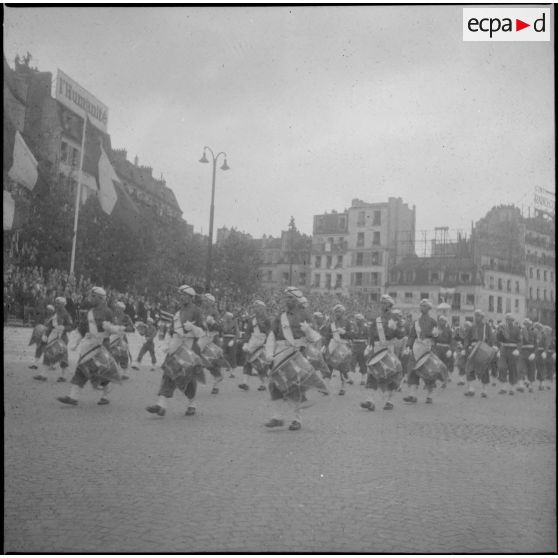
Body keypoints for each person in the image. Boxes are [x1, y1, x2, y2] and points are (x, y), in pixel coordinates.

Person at [264, 287, 325, 431]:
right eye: (286, 297)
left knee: (295, 387)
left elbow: (315, 337)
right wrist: (268, 352)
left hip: (296, 354)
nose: (287, 300)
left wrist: (308, 331)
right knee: (275, 385)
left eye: (290, 298)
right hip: (280, 353)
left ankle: (297, 419)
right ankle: (277, 417)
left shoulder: (305, 315)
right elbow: (272, 335)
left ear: (297, 300)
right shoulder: (280, 316)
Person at [56, 287, 122, 406]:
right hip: (89, 345)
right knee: (81, 370)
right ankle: (73, 397)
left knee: (101, 374)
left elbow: (115, 329)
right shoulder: (89, 312)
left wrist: (110, 328)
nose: (91, 298)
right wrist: (76, 342)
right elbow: (83, 328)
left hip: (101, 346)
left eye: (94, 296)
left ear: (100, 298)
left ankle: (105, 396)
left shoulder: (108, 312)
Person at [146, 285, 205, 417]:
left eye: (183, 295)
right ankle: (161, 405)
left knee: (188, 378)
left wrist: (193, 328)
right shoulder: (178, 312)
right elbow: (172, 330)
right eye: (180, 295)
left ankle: (192, 404)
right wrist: (167, 344)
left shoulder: (197, 311)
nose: (181, 297)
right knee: (168, 373)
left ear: (190, 297)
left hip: (189, 346)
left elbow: (202, 332)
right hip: (176, 345)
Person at [360, 294, 405, 411]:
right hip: (376, 348)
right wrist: (369, 346)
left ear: (390, 305)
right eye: (382, 303)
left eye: (385, 303)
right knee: (372, 374)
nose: (383, 305)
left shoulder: (395, 317)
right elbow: (371, 333)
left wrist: (396, 328)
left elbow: (401, 334)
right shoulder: (377, 319)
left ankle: (390, 401)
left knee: (392, 374)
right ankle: (370, 400)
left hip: (388, 348)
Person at [403, 299, 440, 404]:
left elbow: (436, 336)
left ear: (429, 308)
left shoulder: (433, 322)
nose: (422, 308)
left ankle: (429, 396)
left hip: (428, 349)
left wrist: (435, 335)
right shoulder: (416, 322)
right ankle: (412, 395)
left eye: (424, 306)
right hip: (416, 349)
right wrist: (408, 346)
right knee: (412, 371)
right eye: (421, 306)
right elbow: (412, 336)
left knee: (429, 372)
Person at [32, 297, 73, 382]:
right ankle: (43, 375)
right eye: (56, 303)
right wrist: (46, 335)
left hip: (62, 338)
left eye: (58, 303)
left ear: (63, 304)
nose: (56, 305)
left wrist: (64, 327)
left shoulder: (66, 314)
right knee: (47, 354)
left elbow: (71, 326)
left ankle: (64, 376)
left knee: (62, 357)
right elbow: (50, 325)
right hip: (52, 336)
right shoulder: (55, 313)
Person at [239, 300, 272, 392]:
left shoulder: (267, 319)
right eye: (254, 307)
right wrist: (245, 343)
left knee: (261, 365)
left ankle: (263, 384)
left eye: (257, 307)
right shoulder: (251, 319)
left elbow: (270, 332)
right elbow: (248, 332)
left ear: (262, 308)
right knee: (247, 362)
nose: (255, 309)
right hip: (253, 342)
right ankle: (245, 383)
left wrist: (267, 343)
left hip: (263, 343)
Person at [463, 309, 495, 398]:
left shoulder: (486, 326)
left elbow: (491, 338)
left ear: (482, 317)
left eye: (478, 315)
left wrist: (491, 347)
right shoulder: (472, 327)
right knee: (469, 368)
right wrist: (465, 348)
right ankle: (471, 389)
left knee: (484, 369)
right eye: (475, 315)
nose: (476, 317)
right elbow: (467, 338)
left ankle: (484, 390)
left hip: (483, 349)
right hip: (473, 348)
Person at [322, 304, 353, 396]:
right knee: (329, 365)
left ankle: (343, 387)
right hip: (333, 345)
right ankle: (326, 387)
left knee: (343, 367)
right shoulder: (331, 324)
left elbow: (352, 335)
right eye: (335, 312)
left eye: (339, 311)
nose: (337, 313)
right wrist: (324, 346)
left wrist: (345, 332)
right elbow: (327, 336)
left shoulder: (347, 322)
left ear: (343, 312)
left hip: (343, 346)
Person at [495, 313, 521, 395]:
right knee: (502, 367)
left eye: (510, 319)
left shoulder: (517, 329)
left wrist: (518, 349)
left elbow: (520, 340)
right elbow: (499, 339)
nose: (508, 321)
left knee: (512, 369)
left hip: (513, 351)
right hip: (504, 349)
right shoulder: (503, 328)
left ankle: (512, 388)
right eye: (507, 319)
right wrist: (499, 332)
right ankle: (503, 387)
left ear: (513, 320)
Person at [110, 301, 135, 380]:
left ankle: (125, 372)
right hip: (112, 337)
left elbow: (132, 328)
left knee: (124, 354)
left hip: (121, 337)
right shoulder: (111, 316)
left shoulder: (126, 317)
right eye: (116, 307)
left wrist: (124, 328)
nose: (117, 309)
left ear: (122, 309)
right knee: (113, 353)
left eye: (119, 308)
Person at [28, 304, 55, 370]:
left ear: (52, 311)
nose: (48, 311)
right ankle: (35, 364)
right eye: (47, 310)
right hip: (44, 335)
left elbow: (53, 328)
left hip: (49, 336)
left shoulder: (53, 318)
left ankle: (52, 365)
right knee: (39, 349)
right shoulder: (45, 318)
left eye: (49, 310)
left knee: (48, 351)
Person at [518, 318, 537, 393]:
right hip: (522, 352)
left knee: (531, 369)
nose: (526, 325)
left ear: (530, 324)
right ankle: (521, 386)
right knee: (520, 368)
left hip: (531, 352)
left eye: (527, 324)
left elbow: (536, 345)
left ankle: (531, 386)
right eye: (525, 324)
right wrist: (518, 350)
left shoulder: (534, 332)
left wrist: (534, 353)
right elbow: (519, 342)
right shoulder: (521, 332)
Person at [350, 313, 369, 386]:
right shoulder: (353, 327)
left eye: (358, 319)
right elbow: (351, 336)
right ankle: (351, 378)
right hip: (355, 346)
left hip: (362, 346)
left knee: (362, 363)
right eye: (356, 319)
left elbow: (369, 337)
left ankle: (363, 379)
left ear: (362, 320)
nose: (357, 320)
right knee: (352, 362)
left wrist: (368, 347)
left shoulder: (365, 327)